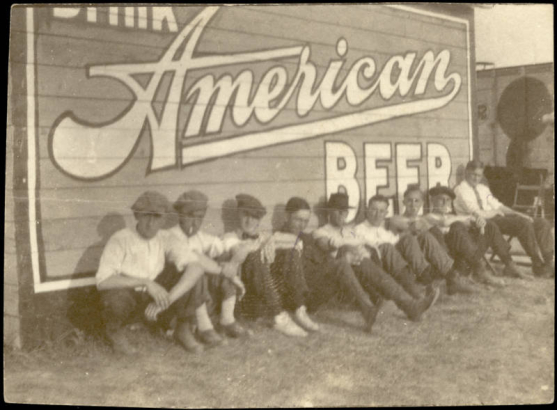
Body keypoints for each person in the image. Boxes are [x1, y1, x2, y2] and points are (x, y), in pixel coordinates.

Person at [96, 191, 213, 355]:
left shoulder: (165, 237)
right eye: (146, 216)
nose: (151, 223)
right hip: (130, 297)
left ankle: (182, 328)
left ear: (164, 219)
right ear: (137, 215)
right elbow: (103, 281)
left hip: (157, 300)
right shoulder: (120, 239)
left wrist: (167, 299)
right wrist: (145, 282)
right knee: (116, 298)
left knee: (194, 274)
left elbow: (196, 267)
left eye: (157, 217)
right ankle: (116, 333)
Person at [313, 193, 439, 323]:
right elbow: (325, 245)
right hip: (343, 277)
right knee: (356, 255)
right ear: (329, 212)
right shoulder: (322, 231)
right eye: (338, 211)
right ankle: (409, 304)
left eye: (344, 212)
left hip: (362, 269)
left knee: (372, 263)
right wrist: (349, 246)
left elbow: (364, 245)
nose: (342, 215)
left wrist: (361, 249)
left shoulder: (349, 230)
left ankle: (411, 305)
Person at [163, 190, 249, 346]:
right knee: (197, 268)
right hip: (176, 298)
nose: (195, 223)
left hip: (201, 294)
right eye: (190, 216)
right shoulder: (169, 236)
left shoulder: (200, 237)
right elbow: (192, 257)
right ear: (180, 215)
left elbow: (223, 245)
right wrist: (229, 274)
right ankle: (204, 327)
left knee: (225, 258)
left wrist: (238, 254)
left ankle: (227, 319)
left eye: (200, 217)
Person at [224, 193, 312, 337]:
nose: (249, 220)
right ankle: (279, 317)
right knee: (254, 256)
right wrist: (263, 243)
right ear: (237, 215)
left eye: (255, 217)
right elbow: (240, 251)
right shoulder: (229, 237)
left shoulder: (262, 236)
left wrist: (270, 241)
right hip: (245, 301)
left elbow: (297, 242)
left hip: (265, 296)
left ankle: (299, 308)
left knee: (290, 252)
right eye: (245, 215)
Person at [454, 160, 554, 278]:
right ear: (466, 172)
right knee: (523, 224)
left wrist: (518, 213)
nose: (476, 178)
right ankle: (537, 264)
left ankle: (548, 263)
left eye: (479, 175)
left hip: (498, 217)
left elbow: (498, 205)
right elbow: (477, 213)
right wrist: (496, 212)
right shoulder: (460, 190)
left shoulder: (482, 188)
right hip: (484, 222)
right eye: (473, 175)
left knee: (541, 222)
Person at [355, 194, 472, 295]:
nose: (377, 214)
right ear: (367, 210)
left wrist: (412, 234)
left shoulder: (382, 230)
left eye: (381, 211)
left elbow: (396, 240)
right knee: (407, 239)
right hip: (383, 265)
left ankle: (452, 277)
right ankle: (427, 280)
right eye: (374, 210)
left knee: (424, 237)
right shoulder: (358, 229)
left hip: (400, 261)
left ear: (386, 213)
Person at [425, 185, 526, 282]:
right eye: (441, 199)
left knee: (489, 226)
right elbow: (444, 222)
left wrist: (478, 225)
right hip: (450, 259)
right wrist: (469, 219)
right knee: (457, 226)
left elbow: (457, 223)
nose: (444, 203)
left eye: (448, 200)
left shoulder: (453, 217)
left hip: (467, 256)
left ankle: (509, 264)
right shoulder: (429, 217)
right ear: (432, 200)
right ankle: (480, 271)